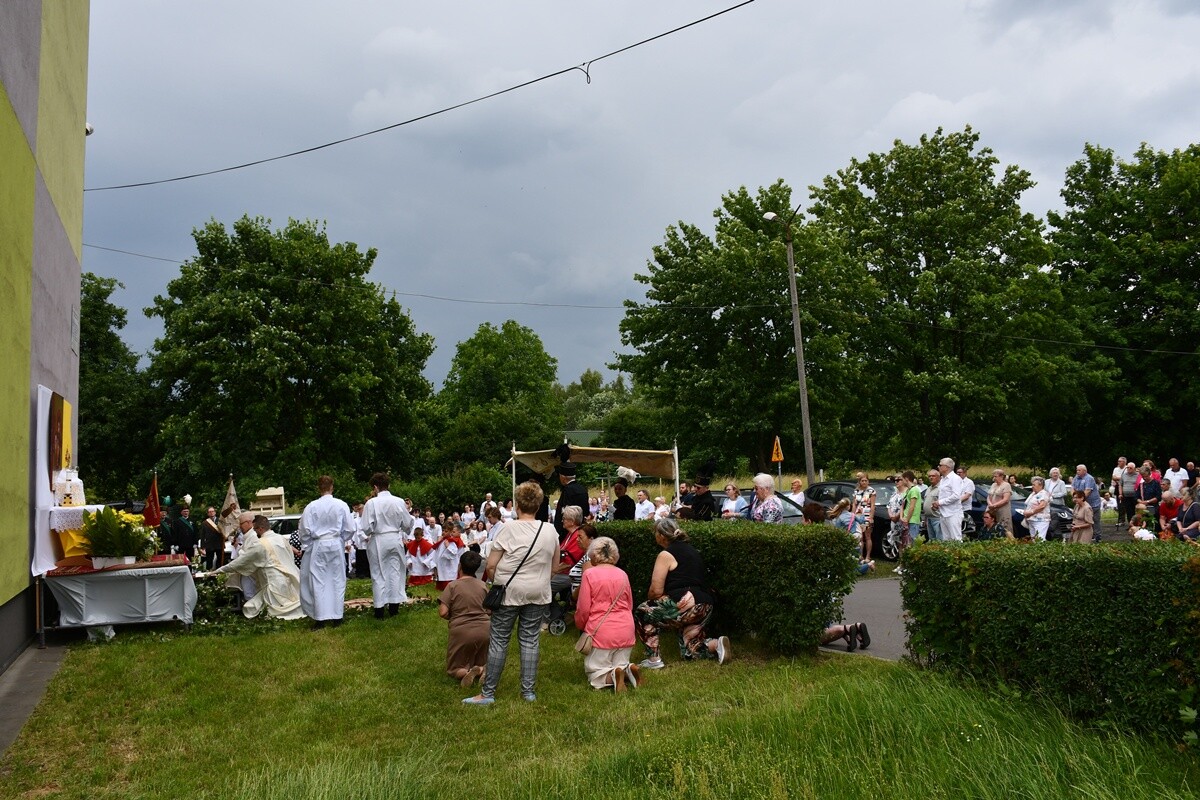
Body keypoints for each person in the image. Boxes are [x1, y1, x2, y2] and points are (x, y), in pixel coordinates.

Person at [463, 480, 559, 706]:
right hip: (538, 591)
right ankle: (528, 692)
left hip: (509, 591)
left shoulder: (508, 528)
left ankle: (488, 693)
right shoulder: (550, 530)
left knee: (499, 640)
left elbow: (490, 565)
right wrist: (539, 580)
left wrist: (498, 581)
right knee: (530, 640)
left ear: (517, 505)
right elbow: (554, 567)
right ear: (539, 505)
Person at [635, 518, 729, 669]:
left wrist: (653, 602)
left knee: (642, 612)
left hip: (686, 602)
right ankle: (716, 644)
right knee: (690, 653)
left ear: (661, 536)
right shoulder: (692, 551)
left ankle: (654, 660)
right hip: (705, 604)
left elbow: (656, 591)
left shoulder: (666, 554)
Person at [206, 514, 304, 620]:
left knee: (254, 609)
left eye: (255, 529)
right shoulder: (281, 538)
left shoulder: (260, 544)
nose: (254, 531)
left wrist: (218, 571)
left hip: (272, 583)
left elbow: (240, 562)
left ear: (260, 529)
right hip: (289, 579)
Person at [576, 536, 639, 691]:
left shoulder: (589, 574)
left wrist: (581, 625)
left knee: (595, 670)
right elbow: (629, 604)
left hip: (601, 630)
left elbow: (583, 608)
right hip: (626, 628)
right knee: (620, 662)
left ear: (593, 554)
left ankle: (612, 676)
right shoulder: (622, 574)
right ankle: (627, 670)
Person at [298, 475, 356, 629]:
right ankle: (337, 616)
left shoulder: (311, 506)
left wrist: (310, 542)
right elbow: (350, 528)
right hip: (335, 542)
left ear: (319, 488)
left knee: (318, 580)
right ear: (332, 487)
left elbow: (304, 530)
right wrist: (341, 538)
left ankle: (321, 618)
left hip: (319, 543)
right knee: (337, 578)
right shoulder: (341, 505)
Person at [361, 472, 413, 618]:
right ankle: (394, 607)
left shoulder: (371, 503)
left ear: (375, 487)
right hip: (395, 538)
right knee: (395, 571)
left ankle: (379, 610)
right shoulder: (399, 501)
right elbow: (407, 524)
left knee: (378, 573)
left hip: (379, 538)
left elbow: (366, 527)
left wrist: (375, 528)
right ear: (388, 485)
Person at [439, 551, 490, 687]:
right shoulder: (483, 585)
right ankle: (481, 669)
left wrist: (454, 617)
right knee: (481, 659)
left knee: (454, 668)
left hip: (461, 630)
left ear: (460, 566)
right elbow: (490, 610)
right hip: (485, 630)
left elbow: (443, 612)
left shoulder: (452, 586)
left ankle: (465, 672)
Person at [550, 505, 587, 607]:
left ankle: (550, 613)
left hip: (569, 574)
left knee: (544, 585)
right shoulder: (571, 534)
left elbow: (568, 563)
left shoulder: (577, 536)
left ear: (572, 521)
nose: (562, 521)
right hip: (563, 571)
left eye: (564, 518)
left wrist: (551, 572)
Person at [553, 446, 590, 541]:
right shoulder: (582, 489)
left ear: (563, 477)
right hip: (580, 528)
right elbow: (586, 511)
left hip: (567, 531)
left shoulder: (568, 490)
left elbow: (564, 512)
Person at [934, 458, 965, 541]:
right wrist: (937, 504)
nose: (938, 467)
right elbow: (943, 495)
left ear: (947, 467)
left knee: (956, 539)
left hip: (953, 513)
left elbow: (956, 496)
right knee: (946, 539)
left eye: (940, 465)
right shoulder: (943, 479)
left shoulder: (955, 478)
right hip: (943, 513)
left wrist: (940, 502)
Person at [1071, 464, 1101, 541]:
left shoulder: (1089, 478)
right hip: (1081, 503)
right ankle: (1084, 536)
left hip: (1093, 503)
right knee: (1081, 519)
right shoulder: (1076, 478)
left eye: (1079, 470)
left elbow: (1088, 491)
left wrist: (1079, 499)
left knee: (1094, 520)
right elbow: (1073, 489)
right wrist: (1075, 498)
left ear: (1085, 471)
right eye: (1077, 470)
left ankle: (1097, 537)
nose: (1077, 472)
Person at [434, 522, 466, 591]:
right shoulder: (443, 541)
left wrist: (448, 546)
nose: (443, 532)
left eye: (446, 531)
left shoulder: (451, 542)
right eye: (443, 530)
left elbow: (454, 552)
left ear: (450, 532)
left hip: (449, 567)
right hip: (442, 566)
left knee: (448, 583)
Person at [852, 472, 877, 558]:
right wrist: (852, 516)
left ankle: (868, 556)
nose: (864, 482)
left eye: (866, 480)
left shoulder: (871, 491)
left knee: (867, 536)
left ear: (868, 481)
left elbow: (873, 505)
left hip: (867, 515)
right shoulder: (856, 491)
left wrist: (871, 517)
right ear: (859, 481)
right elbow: (854, 504)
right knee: (860, 537)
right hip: (858, 515)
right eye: (862, 481)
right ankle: (860, 555)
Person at [897, 471, 922, 551]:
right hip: (905, 520)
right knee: (905, 542)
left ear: (907, 479)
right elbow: (903, 505)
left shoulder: (914, 490)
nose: (901, 481)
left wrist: (907, 519)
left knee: (912, 543)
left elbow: (912, 506)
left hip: (912, 520)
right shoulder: (908, 491)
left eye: (902, 479)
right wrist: (901, 517)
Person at [986, 469, 1013, 536]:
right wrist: (990, 504)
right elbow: (989, 496)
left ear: (1001, 476)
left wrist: (994, 505)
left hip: (1002, 510)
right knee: (992, 526)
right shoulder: (993, 485)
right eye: (993, 476)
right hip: (992, 510)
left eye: (996, 476)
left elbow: (1005, 499)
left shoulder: (1006, 485)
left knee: (1004, 527)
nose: (994, 478)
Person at [1024, 476, 1051, 541]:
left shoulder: (1044, 494)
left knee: (1040, 539)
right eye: (1032, 484)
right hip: (1031, 520)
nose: (1032, 486)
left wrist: (1031, 512)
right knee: (1034, 540)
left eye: (1034, 485)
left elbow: (1042, 506)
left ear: (1040, 485)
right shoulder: (1033, 494)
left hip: (1040, 521)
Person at [200, 507, 224, 571]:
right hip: (209, 544)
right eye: (210, 512)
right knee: (209, 560)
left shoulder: (220, 521)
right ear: (208, 514)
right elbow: (202, 535)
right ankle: (209, 573)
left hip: (219, 543)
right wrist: (202, 547)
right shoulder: (205, 523)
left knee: (220, 559)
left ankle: (219, 572)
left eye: (212, 511)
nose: (211, 513)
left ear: (215, 512)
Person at [922, 469, 941, 540]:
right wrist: (925, 519)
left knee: (939, 539)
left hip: (937, 518)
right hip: (929, 518)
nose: (931, 477)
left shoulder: (941, 488)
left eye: (933, 476)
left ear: (939, 477)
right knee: (932, 540)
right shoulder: (928, 488)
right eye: (929, 476)